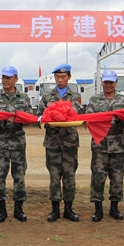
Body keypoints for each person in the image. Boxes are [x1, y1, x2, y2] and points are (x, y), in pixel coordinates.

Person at [0, 66, 33, 223]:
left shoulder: (23, 97)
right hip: (1, 142)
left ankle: (19, 209)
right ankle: (2, 210)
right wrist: (3, 118)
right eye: (3, 77)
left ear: (16, 79)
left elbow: (29, 116)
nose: (5, 80)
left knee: (19, 176)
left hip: (18, 142)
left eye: (9, 77)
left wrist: (18, 118)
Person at [36, 64, 81, 222]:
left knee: (69, 176)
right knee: (54, 177)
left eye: (63, 77)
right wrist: (43, 119)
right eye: (57, 77)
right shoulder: (47, 96)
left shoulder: (75, 96)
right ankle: (55, 209)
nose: (60, 80)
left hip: (69, 142)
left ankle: (69, 209)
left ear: (69, 77)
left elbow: (76, 114)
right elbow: (39, 115)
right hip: (52, 142)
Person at [85, 70, 124, 222]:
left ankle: (114, 208)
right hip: (100, 146)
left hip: (117, 146)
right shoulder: (94, 100)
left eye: (111, 82)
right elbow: (88, 118)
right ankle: (98, 209)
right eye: (106, 82)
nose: (109, 85)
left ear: (116, 82)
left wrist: (121, 119)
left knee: (117, 177)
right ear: (102, 83)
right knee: (98, 177)